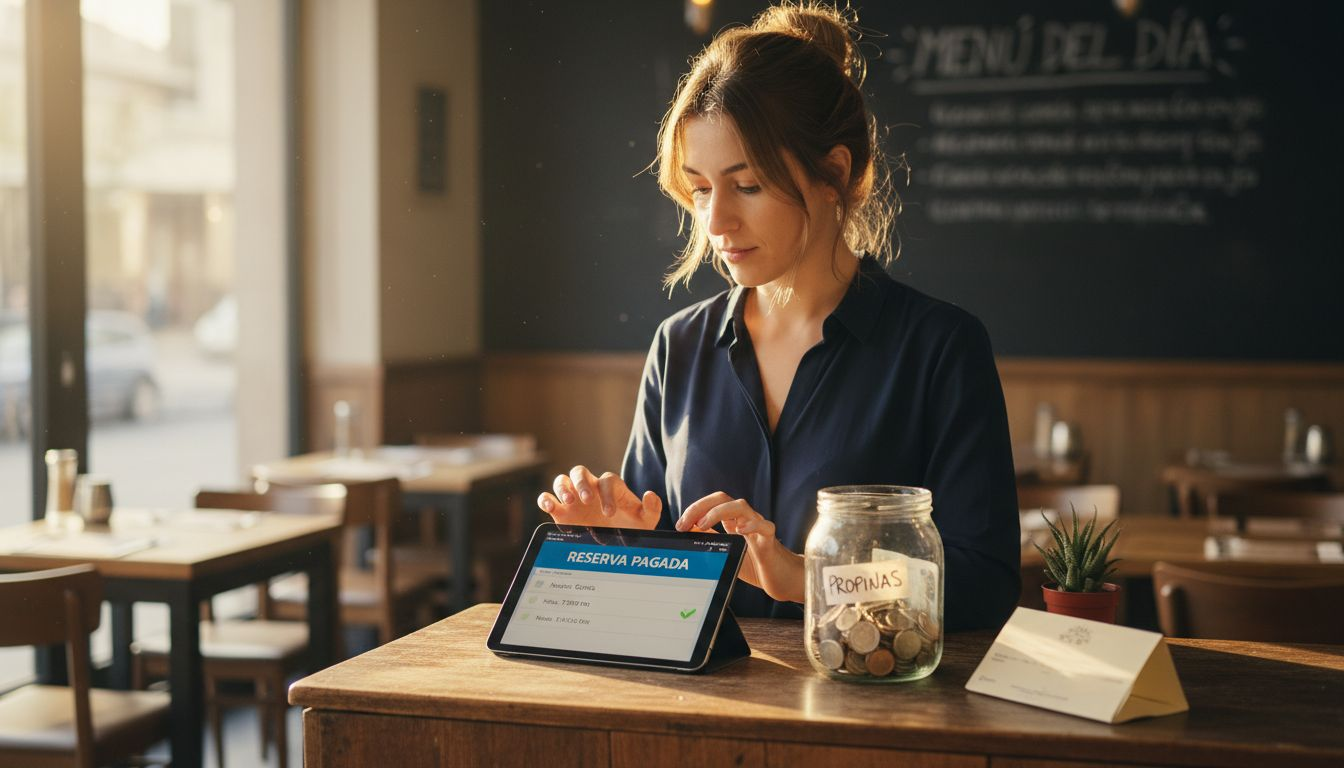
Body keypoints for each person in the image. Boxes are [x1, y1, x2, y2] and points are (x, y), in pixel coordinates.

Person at [536, 2, 1020, 631]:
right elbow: (658, 609)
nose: (716, 221)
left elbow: (984, 582)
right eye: (701, 188)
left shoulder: (940, 349)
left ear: (835, 173)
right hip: (705, 692)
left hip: (867, 689)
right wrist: (620, 544)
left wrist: (807, 578)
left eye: (748, 185)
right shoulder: (678, 346)